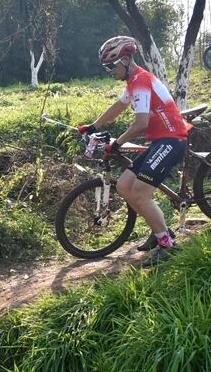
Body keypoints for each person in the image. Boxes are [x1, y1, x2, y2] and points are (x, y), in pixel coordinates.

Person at [77, 36, 190, 265]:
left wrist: (117, 144)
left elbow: (141, 124)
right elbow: (119, 106)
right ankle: (161, 230)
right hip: (160, 141)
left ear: (126, 60)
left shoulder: (140, 80)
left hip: (171, 140)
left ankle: (168, 246)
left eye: (111, 65)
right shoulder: (133, 82)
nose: (109, 71)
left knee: (139, 192)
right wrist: (93, 126)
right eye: (106, 67)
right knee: (124, 186)